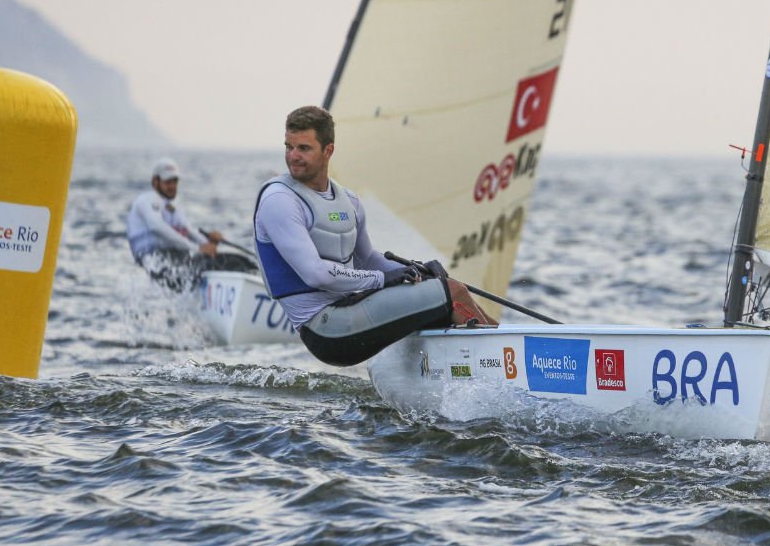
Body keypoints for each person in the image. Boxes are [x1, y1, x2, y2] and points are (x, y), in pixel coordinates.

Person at [253, 105, 495, 366]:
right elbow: (316, 274)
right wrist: (382, 279)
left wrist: (417, 271)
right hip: (324, 330)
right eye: (289, 147)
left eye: (303, 148)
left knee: (442, 288)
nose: (293, 156)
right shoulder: (279, 200)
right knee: (452, 292)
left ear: (328, 150)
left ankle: (479, 359)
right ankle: (500, 356)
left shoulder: (348, 200)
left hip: (348, 310)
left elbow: (366, 259)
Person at [126, 157, 257, 290]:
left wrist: (211, 244)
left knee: (234, 260)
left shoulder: (172, 209)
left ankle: (255, 282)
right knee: (206, 263)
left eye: (175, 181)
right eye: (168, 182)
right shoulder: (146, 200)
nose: (172, 186)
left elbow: (190, 232)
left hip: (174, 258)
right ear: (155, 182)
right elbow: (156, 227)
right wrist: (197, 248)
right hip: (154, 259)